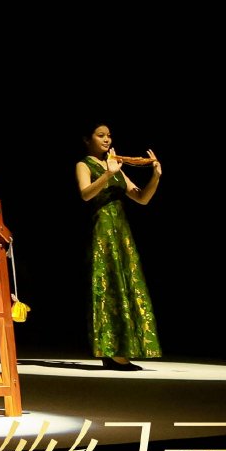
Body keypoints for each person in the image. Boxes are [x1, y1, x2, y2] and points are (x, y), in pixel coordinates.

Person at [75, 125, 162, 369]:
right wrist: (106, 174)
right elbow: (85, 194)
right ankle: (110, 352)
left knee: (125, 285)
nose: (107, 139)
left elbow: (142, 198)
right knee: (108, 287)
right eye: (100, 135)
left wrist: (155, 176)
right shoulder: (84, 165)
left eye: (109, 135)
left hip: (121, 232)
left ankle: (122, 350)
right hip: (102, 231)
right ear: (87, 139)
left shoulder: (115, 165)